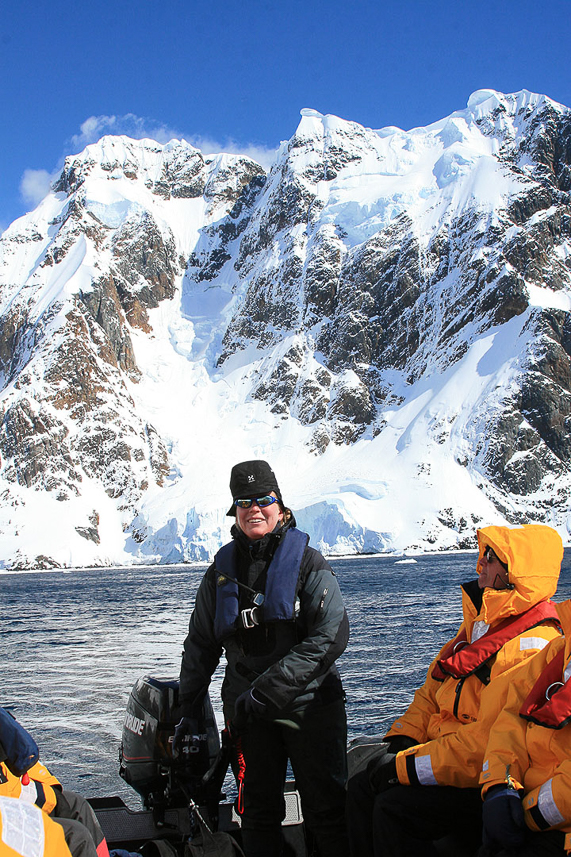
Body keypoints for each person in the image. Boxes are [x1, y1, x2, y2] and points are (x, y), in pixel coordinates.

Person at [346, 524, 564, 857]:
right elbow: (430, 692)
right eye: (482, 555)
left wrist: (403, 767)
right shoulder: (479, 627)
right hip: (447, 757)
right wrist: (403, 739)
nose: (481, 564)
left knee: (394, 808)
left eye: (491, 558)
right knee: (361, 786)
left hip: (479, 776)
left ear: (515, 575)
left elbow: (488, 741)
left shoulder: (531, 646)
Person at [174, 460, 350, 857]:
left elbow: (331, 634)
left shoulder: (309, 564)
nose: (254, 509)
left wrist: (269, 689)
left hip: (311, 709)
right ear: (234, 511)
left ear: (280, 507)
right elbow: (200, 644)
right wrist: (187, 708)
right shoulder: (219, 573)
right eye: (243, 502)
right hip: (250, 716)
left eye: (263, 500)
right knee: (256, 814)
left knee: (326, 812)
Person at [479, 597, 571, 856]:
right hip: (533, 803)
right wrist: (500, 782)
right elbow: (511, 718)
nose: (480, 567)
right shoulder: (558, 651)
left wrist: (525, 814)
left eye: (490, 557)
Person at [0, 706, 111, 857]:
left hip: (11, 804)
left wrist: (53, 791)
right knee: (77, 837)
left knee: (76, 803)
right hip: (7, 816)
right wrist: (48, 798)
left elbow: (24, 766)